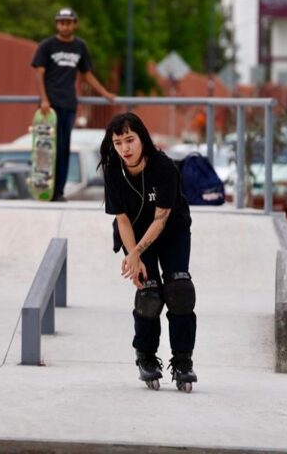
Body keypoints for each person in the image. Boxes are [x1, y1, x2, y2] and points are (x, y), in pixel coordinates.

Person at [100, 112, 198, 391]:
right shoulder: (113, 171)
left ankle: (182, 361)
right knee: (149, 293)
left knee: (179, 289)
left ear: (142, 138)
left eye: (130, 140)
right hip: (133, 235)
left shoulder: (163, 167)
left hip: (171, 232)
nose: (125, 148)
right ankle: (145, 357)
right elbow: (121, 220)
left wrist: (135, 254)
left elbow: (161, 218)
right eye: (118, 142)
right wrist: (134, 256)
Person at [32, 8, 115, 202]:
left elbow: (86, 74)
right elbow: (39, 74)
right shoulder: (47, 46)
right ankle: (43, 188)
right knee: (45, 147)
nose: (64, 25)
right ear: (57, 24)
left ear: (75, 24)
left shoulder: (80, 47)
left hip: (68, 104)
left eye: (68, 22)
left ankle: (58, 191)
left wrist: (104, 93)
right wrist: (44, 99)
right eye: (61, 22)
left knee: (63, 148)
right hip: (49, 107)